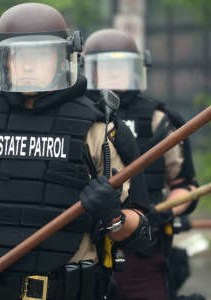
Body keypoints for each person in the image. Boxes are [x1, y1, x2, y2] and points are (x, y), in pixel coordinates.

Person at [0, 4, 151, 300]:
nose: (27, 66)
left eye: (39, 56)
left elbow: (140, 233)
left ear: (62, 57)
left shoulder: (100, 128)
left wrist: (113, 215)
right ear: (0, 58)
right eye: (17, 56)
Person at [83, 28, 199, 300]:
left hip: (143, 249)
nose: (113, 75)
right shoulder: (78, 117)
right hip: (86, 249)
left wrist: (163, 211)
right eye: (105, 68)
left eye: (120, 68)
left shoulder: (160, 120)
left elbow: (185, 185)